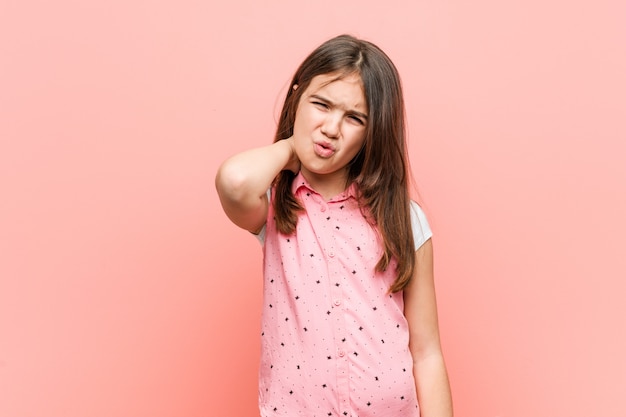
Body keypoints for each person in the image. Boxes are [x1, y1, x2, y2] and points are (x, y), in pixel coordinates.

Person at [215, 34, 453, 417]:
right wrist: (293, 147)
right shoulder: (276, 208)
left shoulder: (403, 219)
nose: (331, 128)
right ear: (296, 99)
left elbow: (426, 352)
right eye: (321, 105)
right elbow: (236, 181)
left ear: (372, 130)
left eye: (354, 118)